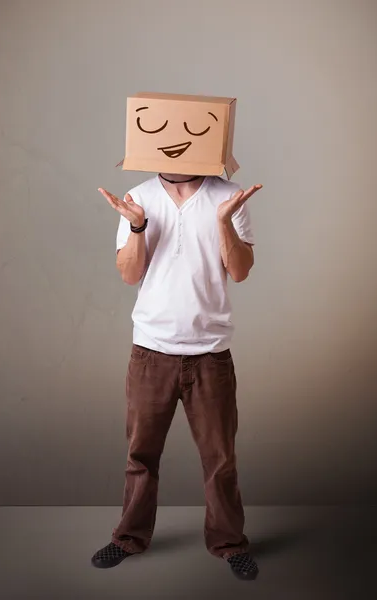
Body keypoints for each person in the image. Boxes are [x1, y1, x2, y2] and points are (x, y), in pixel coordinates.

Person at [91, 172, 262, 580]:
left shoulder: (229, 196)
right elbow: (130, 274)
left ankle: (229, 543)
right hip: (151, 351)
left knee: (220, 460)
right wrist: (137, 224)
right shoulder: (140, 197)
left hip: (210, 355)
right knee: (140, 455)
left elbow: (240, 271)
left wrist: (223, 223)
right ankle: (128, 537)